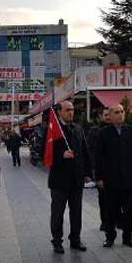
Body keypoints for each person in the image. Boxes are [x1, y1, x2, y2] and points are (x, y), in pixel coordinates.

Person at [47, 101, 92, 254]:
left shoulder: (78, 128)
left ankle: (75, 239)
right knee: (58, 212)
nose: (71, 113)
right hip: (59, 180)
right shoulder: (52, 129)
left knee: (76, 211)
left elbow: (85, 151)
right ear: (59, 112)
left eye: (72, 110)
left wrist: (87, 173)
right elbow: (43, 154)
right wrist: (61, 155)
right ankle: (57, 241)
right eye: (67, 110)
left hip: (76, 178)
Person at [95, 104, 132, 248]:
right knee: (110, 211)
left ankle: (128, 237)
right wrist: (99, 177)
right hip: (110, 179)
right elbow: (98, 157)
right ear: (110, 115)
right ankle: (110, 237)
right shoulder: (103, 133)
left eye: (122, 112)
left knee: (128, 212)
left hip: (128, 179)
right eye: (116, 112)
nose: (120, 114)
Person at [87, 108, 111, 231]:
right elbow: (89, 151)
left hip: (117, 172)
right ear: (101, 116)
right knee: (103, 199)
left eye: (109, 115)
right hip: (102, 171)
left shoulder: (120, 130)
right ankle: (104, 221)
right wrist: (93, 171)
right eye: (105, 115)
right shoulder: (95, 131)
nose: (108, 117)